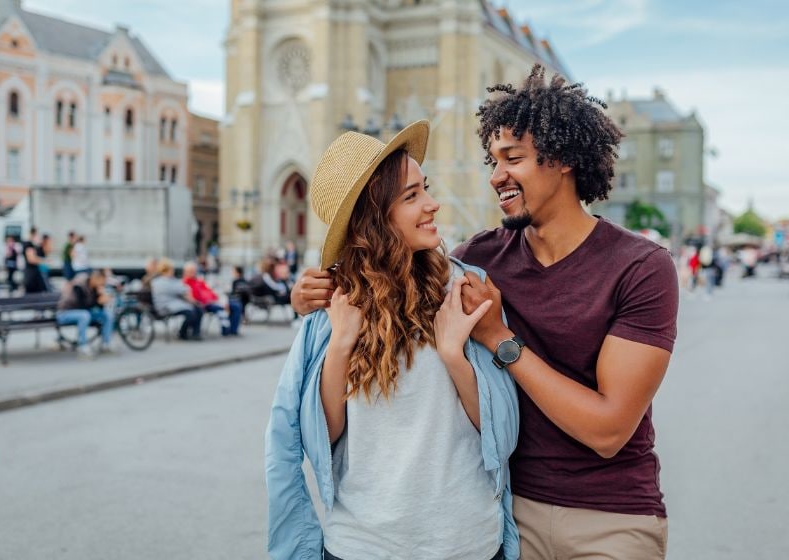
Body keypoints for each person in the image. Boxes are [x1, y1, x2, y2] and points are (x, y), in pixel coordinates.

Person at [292, 66, 678, 559]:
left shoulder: (641, 266)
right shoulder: (479, 261)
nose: (495, 176)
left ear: (559, 159)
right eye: (492, 160)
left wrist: (499, 339)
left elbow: (607, 431)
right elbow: (389, 275)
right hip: (510, 510)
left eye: (511, 158)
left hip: (608, 514)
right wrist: (310, 303)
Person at [266, 121, 520, 560]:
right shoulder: (329, 309)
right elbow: (313, 441)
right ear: (374, 218)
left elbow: (503, 432)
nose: (433, 204)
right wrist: (342, 344)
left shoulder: (466, 289)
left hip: (468, 544)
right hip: (361, 545)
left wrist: (452, 355)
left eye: (427, 188)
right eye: (412, 196)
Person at [56, 271, 114, 359]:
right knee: (84, 315)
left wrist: (102, 301)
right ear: (95, 278)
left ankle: (106, 344)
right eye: (102, 281)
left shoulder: (95, 288)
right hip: (65, 313)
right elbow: (80, 305)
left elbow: (96, 307)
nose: (103, 284)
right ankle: (82, 346)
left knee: (107, 315)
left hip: (83, 312)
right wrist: (97, 301)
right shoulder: (79, 286)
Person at [181, 261, 242, 336]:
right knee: (220, 309)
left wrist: (219, 300)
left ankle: (233, 330)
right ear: (185, 272)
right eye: (190, 271)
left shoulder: (199, 281)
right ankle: (226, 330)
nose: (193, 273)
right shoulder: (184, 283)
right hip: (204, 303)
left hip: (213, 300)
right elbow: (191, 297)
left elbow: (209, 291)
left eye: (194, 271)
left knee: (236, 305)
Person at [150, 258, 203, 340]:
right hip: (167, 307)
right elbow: (183, 289)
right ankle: (183, 333)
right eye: (172, 269)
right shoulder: (162, 281)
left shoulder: (166, 280)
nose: (173, 271)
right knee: (192, 312)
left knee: (197, 309)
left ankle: (195, 333)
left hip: (173, 304)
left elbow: (181, 288)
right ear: (168, 269)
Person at [22, 227, 48, 294]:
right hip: (31, 273)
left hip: (33, 272)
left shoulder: (32, 245)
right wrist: (43, 260)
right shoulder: (28, 244)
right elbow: (31, 259)